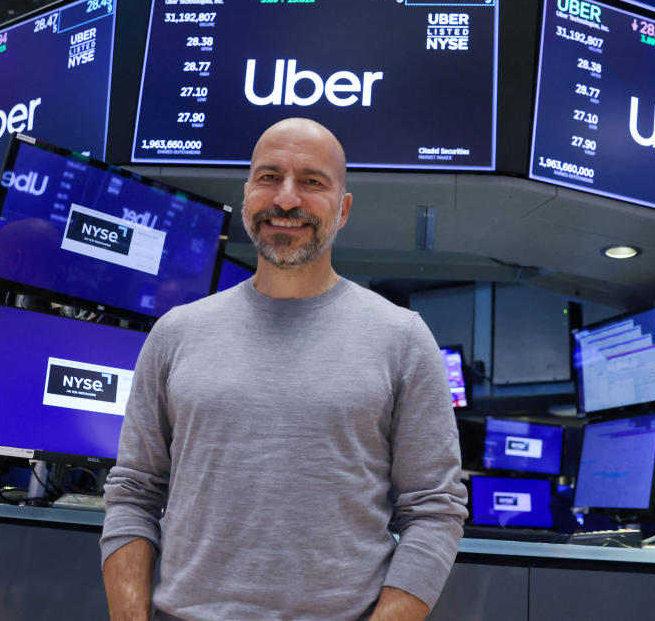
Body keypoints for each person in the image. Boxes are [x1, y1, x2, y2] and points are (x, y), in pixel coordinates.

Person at [101, 118, 468, 621]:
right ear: (248, 192)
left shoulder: (402, 338)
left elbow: (435, 513)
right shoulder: (176, 333)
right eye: (269, 177)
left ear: (343, 209)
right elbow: (133, 494)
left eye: (313, 182)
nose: (287, 199)